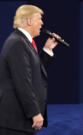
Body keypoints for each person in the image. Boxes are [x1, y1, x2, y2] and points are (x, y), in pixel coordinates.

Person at [0, 4, 61, 135]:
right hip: (16, 122)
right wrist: (34, 112)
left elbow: (34, 71)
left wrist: (47, 49)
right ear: (29, 20)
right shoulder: (18, 43)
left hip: (20, 121)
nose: (42, 23)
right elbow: (22, 82)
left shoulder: (23, 42)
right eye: (39, 19)